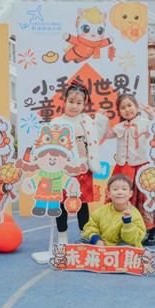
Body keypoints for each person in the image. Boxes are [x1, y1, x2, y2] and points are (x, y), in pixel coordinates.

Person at [97, 93, 155, 246]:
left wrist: (152, 114)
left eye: (129, 105)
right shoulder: (120, 126)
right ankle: (123, 229)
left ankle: (152, 231)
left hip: (142, 167)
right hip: (123, 168)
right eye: (123, 107)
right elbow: (107, 134)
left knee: (145, 199)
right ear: (119, 111)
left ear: (136, 106)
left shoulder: (146, 123)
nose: (127, 109)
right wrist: (102, 119)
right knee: (122, 198)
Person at [50, 80, 105, 244]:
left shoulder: (86, 121)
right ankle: (62, 236)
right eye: (71, 101)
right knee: (61, 203)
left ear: (84, 104)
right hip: (64, 170)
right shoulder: (57, 122)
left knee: (83, 203)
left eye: (79, 103)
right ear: (64, 101)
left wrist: (100, 120)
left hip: (83, 168)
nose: (74, 106)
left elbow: (95, 140)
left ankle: (84, 233)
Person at [82, 174, 146, 248]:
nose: (120, 192)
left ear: (130, 194)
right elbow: (90, 227)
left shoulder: (135, 215)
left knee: (128, 246)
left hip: (121, 248)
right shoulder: (100, 211)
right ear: (108, 193)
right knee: (81, 241)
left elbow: (132, 240)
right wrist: (96, 240)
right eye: (115, 189)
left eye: (124, 189)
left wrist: (127, 222)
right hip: (102, 244)